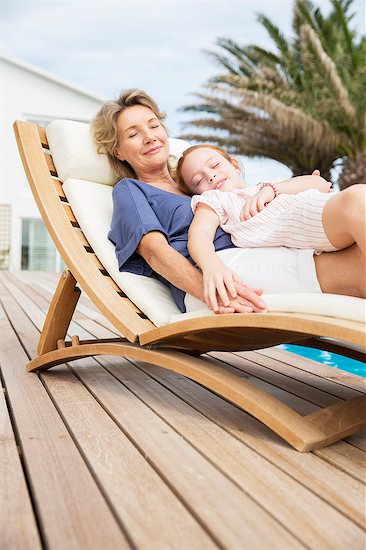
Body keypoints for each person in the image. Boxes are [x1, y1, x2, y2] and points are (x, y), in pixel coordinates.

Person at [91, 88, 365, 315]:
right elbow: (154, 252)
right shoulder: (131, 190)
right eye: (133, 134)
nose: (149, 136)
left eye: (153, 125)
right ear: (118, 150)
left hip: (257, 249)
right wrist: (211, 288)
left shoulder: (196, 183)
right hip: (217, 272)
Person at [176, 145, 366, 310]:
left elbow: (319, 183)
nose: (210, 176)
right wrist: (211, 265)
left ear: (234, 164)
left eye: (214, 165)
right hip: (309, 221)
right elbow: (199, 233)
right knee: (357, 198)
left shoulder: (269, 185)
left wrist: (271, 190)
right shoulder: (215, 199)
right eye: (198, 181)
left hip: (322, 209)